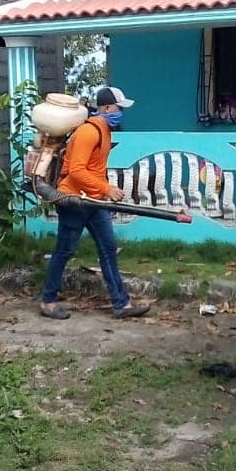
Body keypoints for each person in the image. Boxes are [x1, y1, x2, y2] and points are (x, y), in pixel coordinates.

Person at [39, 86, 151, 320]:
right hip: (73, 200)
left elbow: (95, 168)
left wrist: (103, 190)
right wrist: (106, 189)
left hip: (93, 201)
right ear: (107, 108)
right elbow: (77, 171)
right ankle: (48, 301)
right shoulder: (88, 132)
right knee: (64, 250)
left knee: (108, 249)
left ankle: (121, 304)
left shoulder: (105, 131)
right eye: (119, 108)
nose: (121, 113)